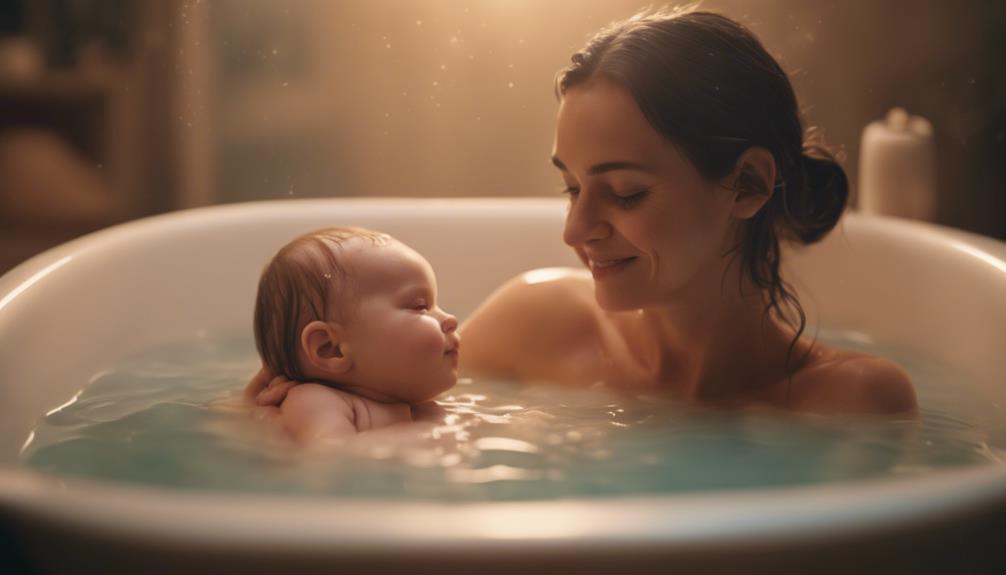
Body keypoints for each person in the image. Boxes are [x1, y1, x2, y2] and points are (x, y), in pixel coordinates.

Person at [459, 8, 917, 416]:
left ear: (748, 184)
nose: (574, 231)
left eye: (625, 193)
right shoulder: (534, 323)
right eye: (572, 188)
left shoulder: (849, 403)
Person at [245, 226, 460, 443]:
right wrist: (435, 432)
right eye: (420, 306)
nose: (451, 319)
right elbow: (334, 455)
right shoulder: (315, 402)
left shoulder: (410, 398)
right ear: (331, 348)